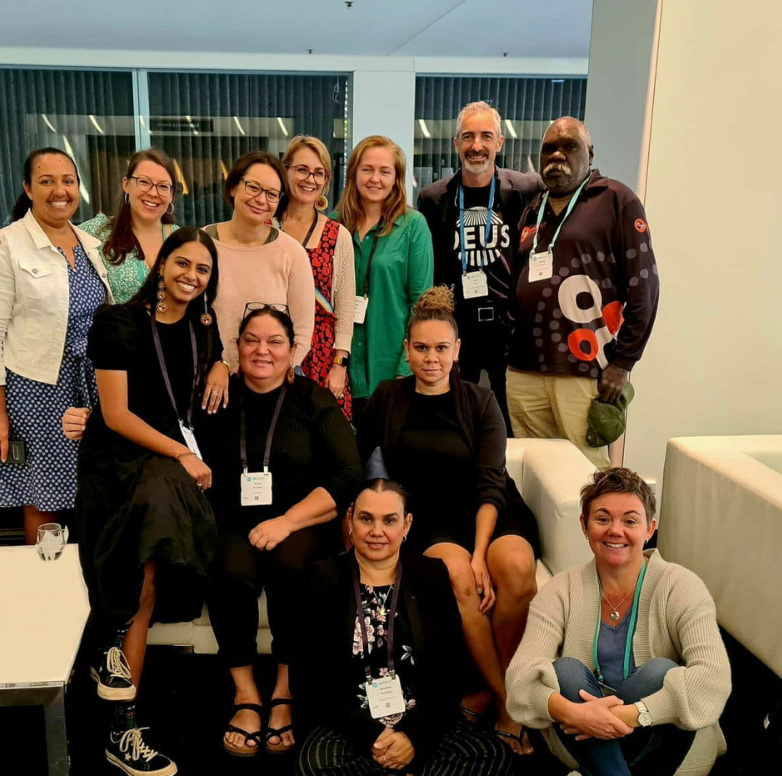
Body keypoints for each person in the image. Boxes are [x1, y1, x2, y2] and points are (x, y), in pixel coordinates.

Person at [358, 285, 540, 756]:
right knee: (459, 576)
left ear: (457, 350)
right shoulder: (386, 398)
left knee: (515, 567)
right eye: (421, 348)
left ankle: (493, 688)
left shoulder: (480, 402)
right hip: (431, 520)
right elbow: (360, 466)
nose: (431, 358)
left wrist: (482, 554)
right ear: (406, 349)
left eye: (441, 348)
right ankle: (509, 702)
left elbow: (490, 482)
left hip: (490, 509)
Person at [74, 226, 223, 776]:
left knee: (148, 576)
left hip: (163, 470)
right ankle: (120, 720)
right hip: (117, 463)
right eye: (182, 263)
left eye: (203, 270)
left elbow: (211, 362)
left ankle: (121, 716)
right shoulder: (117, 322)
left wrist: (223, 363)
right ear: (161, 265)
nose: (191, 276)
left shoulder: (204, 329)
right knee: (139, 573)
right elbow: (115, 416)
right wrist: (182, 454)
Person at [197, 305, 361, 757]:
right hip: (233, 519)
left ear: (293, 350)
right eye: (251, 340)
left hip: (301, 519)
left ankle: (284, 689)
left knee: (293, 566)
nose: (262, 350)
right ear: (237, 347)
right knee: (229, 571)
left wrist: (287, 521)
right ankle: (246, 693)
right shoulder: (217, 396)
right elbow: (175, 436)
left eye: (274, 341)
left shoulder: (314, 400)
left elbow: (348, 473)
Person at [506, 468, 731, 776]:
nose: (615, 530)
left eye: (630, 521)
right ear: (584, 525)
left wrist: (628, 715)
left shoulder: (682, 586)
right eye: (602, 519)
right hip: (579, 730)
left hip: (659, 733)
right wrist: (572, 712)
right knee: (566, 672)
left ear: (649, 529)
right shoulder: (560, 591)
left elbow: (714, 679)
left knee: (660, 672)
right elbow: (519, 682)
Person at [292, 479, 512, 776]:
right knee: (316, 766)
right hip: (352, 725)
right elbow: (311, 678)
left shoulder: (431, 575)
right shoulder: (322, 577)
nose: (376, 531)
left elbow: (450, 671)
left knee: (491, 755)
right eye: (366, 519)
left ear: (406, 524)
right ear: (350, 521)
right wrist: (372, 735)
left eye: (389, 520)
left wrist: (414, 737)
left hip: (421, 722)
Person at [0, 148, 112, 544]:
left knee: (91, 487)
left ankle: (87, 576)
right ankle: (46, 571)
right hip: (33, 390)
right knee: (42, 495)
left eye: (68, 181)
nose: (59, 191)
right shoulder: (4, 246)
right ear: (28, 189)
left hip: (89, 385)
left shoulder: (89, 243)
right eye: (46, 181)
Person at [507, 118, 660, 469]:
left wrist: (622, 363)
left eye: (569, 146)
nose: (557, 155)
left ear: (589, 154)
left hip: (584, 369)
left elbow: (645, 288)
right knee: (535, 472)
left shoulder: (616, 200)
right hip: (524, 371)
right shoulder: (533, 210)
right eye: (549, 148)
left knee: (585, 473)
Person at [417, 101, 543, 432]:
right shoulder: (433, 199)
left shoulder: (525, 191)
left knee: (513, 425)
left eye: (486, 136)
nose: (476, 145)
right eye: (468, 137)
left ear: (499, 142)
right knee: (455, 422)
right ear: (456, 143)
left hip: (509, 329)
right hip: (459, 329)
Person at [0, 147, 180, 303]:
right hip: (118, 345)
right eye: (144, 182)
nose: (153, 193)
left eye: (163, 186)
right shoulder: (96, 232)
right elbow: (46, 237)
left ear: (171, 194)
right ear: (126, 184)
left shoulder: (184, 241)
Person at [335, 135, 434, 421]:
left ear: (396, 178)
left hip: (391, 369)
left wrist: (407, 366)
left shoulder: (413, 226)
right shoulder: (333, 224)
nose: (375, 178)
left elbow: (422, 304)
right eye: (367, 169)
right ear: (354, 173)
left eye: (385, 171)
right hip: (339, 367)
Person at [204, 150, 315, 394]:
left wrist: (272, 377)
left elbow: (302, 330)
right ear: (233, 187)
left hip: (271, 385)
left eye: (271, 194)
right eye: (253, 187)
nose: (261, 199)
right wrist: (216, 364)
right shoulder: (201, 245)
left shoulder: (292, 253)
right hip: (208, 380)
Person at [277, 136, 355, 421]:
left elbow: (345, 307)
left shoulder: (337, 235)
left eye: (319, 173)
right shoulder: (266, 227)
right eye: (302, 170)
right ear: (285, 171)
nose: (310, 179)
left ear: (326, 181)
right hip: (271, 349)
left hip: (321, 355)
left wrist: (339, 364)